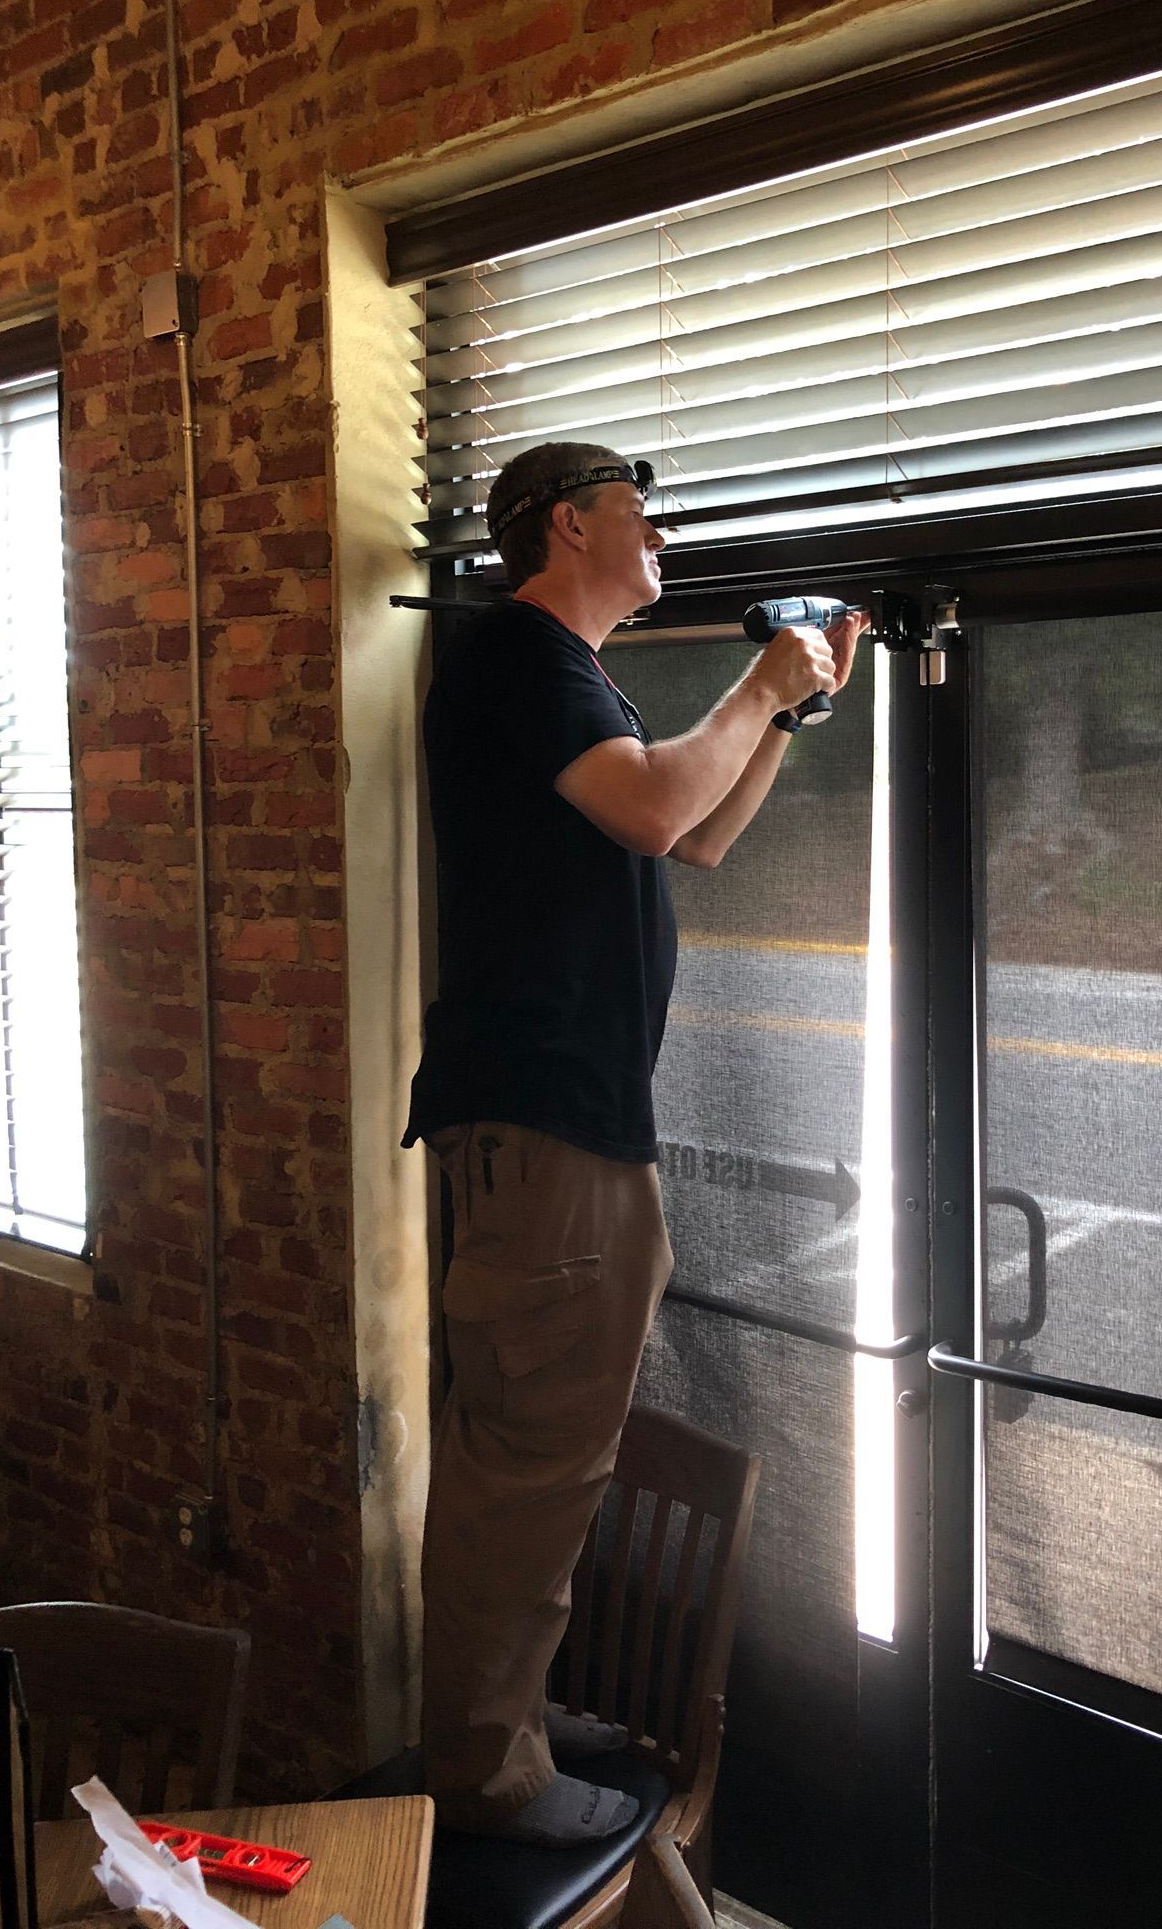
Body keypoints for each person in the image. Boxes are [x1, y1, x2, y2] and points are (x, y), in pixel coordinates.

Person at [402, 440, 866, 1848]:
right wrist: (759, 682)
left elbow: (697, 836)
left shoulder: (573, 683)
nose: (662, 534)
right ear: (568, 522)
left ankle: (509, 1720)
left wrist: (785, 717)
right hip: (545, 1135)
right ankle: (483, 1779)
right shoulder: (514, 654)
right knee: (527, 1470)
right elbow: (659, 802)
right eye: (641, 511)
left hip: (565, 1131)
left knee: (542, 1458)